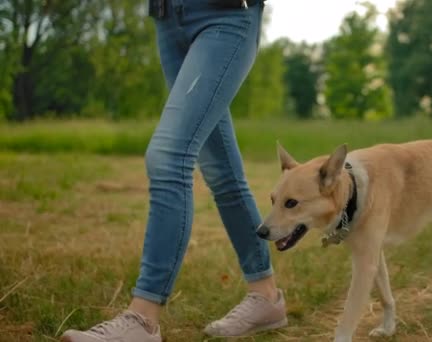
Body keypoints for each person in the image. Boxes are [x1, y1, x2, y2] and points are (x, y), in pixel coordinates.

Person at [61, 0, 286, 341]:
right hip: (168, 18)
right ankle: (266, 296)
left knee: (168, 157)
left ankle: (143, 319)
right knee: (221, 170)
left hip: (225, 14)